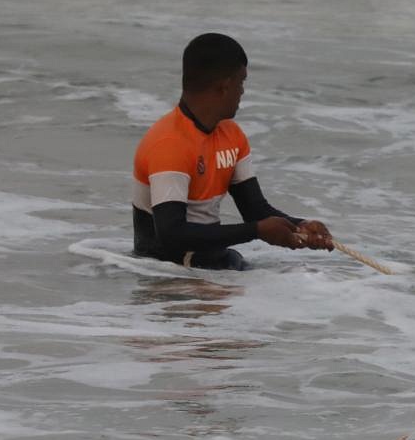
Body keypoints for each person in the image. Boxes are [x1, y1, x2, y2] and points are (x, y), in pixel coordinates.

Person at [131, 33, 335, 270]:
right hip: (165, 276)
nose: (243, 92)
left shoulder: (232, 135)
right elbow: (172, 235)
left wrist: (301, 225)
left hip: (212, 266)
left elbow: (255, 210)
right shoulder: (169, 143)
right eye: (242, 82)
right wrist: (256, 231)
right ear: (224, 87)